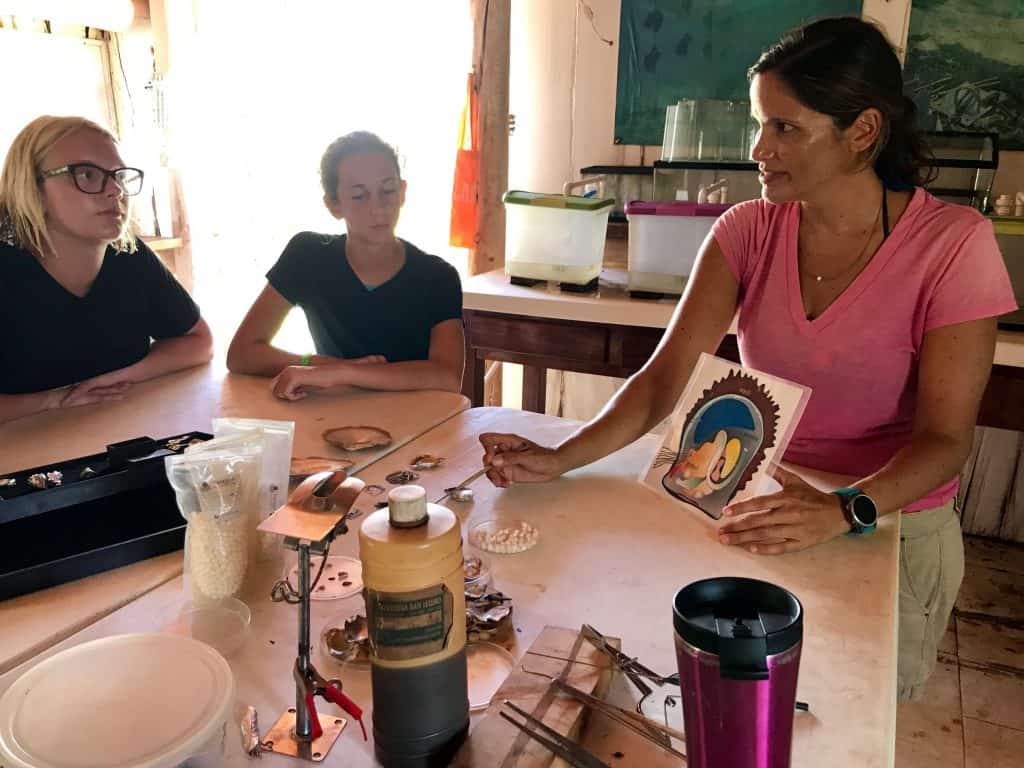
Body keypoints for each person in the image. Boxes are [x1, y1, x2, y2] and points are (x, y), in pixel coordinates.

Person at [479, 17, 1017, 701]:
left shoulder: (952, 245)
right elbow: (662, 382)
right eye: (760, 124)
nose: (759, 148)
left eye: (786, 128)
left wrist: (843, 509)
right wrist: (564, 456)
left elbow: (945, 441)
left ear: (863, 130)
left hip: (890, 524)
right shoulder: (747, 230)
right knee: (739, 703)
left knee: (849, 717)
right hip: (762, 510)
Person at [0, 115, 213, 424]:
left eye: (118, 176)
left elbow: (198, 342)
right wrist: (53, 401)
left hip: (122, 431)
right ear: (33, 188)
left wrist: (119, 378)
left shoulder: (128, 254)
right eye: (86, 174)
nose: (114, 191)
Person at [227, 131, 464, 398]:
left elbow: (447, 377)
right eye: (359, 196)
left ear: (403, 192)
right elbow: (241, 353)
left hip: (421, 424)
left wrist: (343, 372)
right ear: (333, 205)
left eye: (388, 190)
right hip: (333, 418)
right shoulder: (306, 255)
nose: (378, 207)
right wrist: (316, 364)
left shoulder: (437, 276)